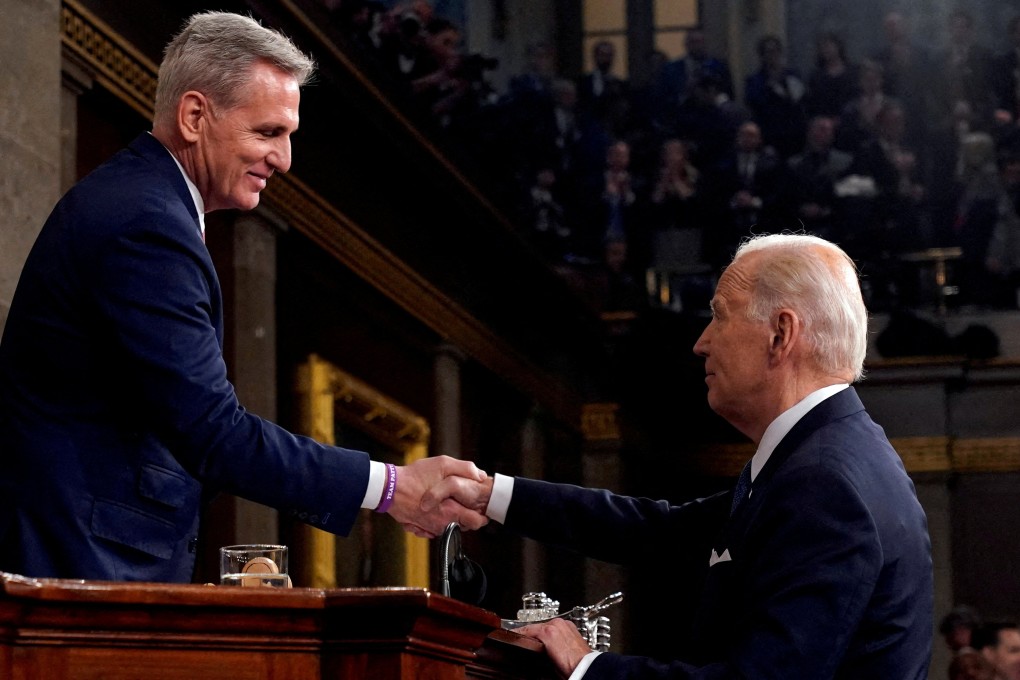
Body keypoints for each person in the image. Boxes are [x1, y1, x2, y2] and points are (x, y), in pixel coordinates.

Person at [0, 11, 487, 584]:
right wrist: (392, 488)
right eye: (267, 133)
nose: (283, 159)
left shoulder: (148, 206)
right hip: (73, 574)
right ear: (194, 116)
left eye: (288, 136)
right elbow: (214, 432)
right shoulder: (145, 224)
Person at [432, 232, 935, 678]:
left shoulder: (823, 481)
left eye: (719, 315)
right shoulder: (822, 457)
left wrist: (586, 666)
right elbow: (658, 531)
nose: (701, 343)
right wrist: (488, 494)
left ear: (781, 335)